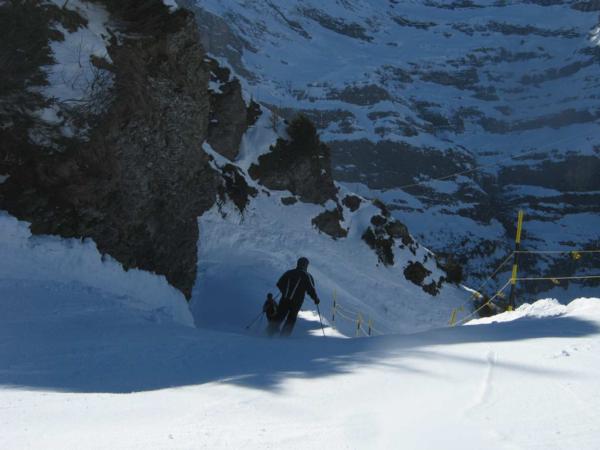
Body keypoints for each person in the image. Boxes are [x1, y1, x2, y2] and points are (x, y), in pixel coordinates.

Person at [268, 257, 320, 337]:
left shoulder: (289, 273)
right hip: (297, 301)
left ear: (298, 263)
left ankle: (269, 333)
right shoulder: (307, 276)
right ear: (306, 265)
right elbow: (311, 290)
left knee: (280, 315)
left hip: (285, 299)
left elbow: (279, 283)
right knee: (291, 318)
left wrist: (284, 292)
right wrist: (315, 299)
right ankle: (284, 336)